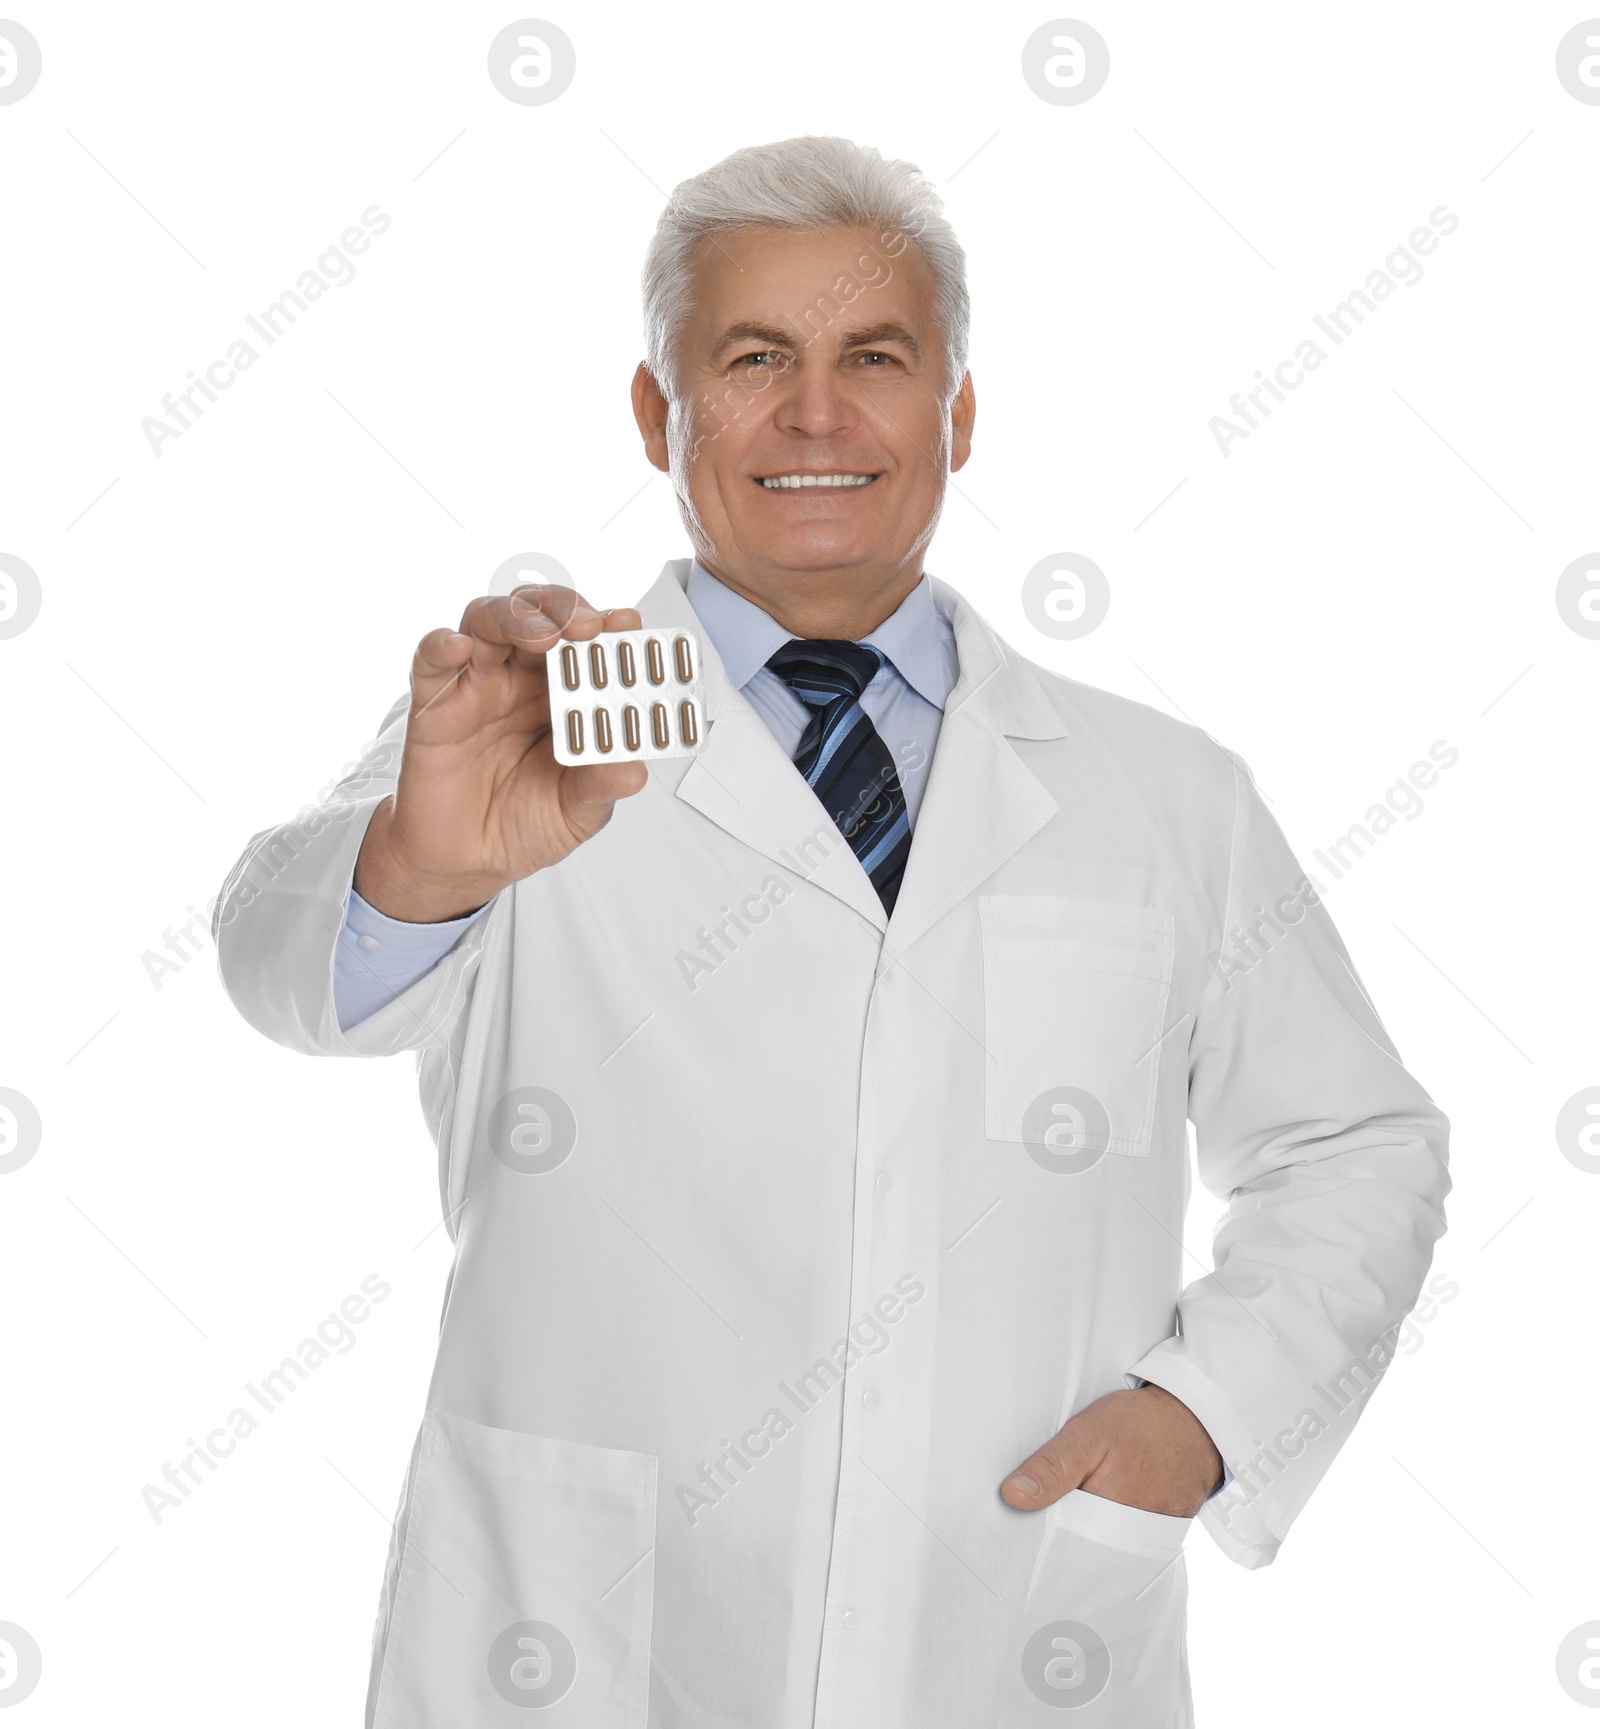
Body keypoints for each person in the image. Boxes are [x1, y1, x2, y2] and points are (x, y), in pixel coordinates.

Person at [215, 135, 1450, 1728]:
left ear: (960, 410)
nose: (816, 415)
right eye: (752, 360)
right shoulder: (508, 735)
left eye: (876, 357)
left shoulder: (1164, 793)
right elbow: (279, 960)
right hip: (577, 1647)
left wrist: (1205, 1416)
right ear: (660, 414)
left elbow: (1359, 1140)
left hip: (1012, 1634)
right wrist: (421, 863)